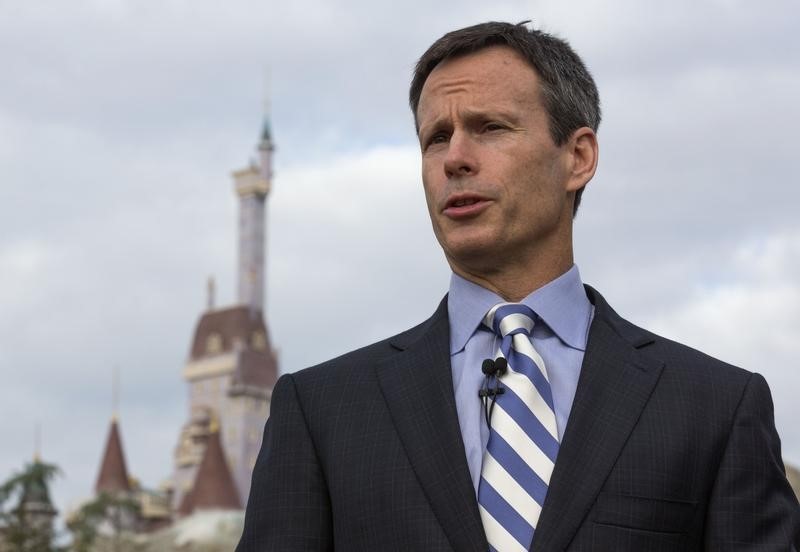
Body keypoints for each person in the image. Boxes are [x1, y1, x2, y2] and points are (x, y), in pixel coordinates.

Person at [237, 21, 800, 551]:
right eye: (436, 138)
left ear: (577, 157)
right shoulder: (322, 412)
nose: (455, 157)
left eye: (490, 128)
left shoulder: (715, 407)